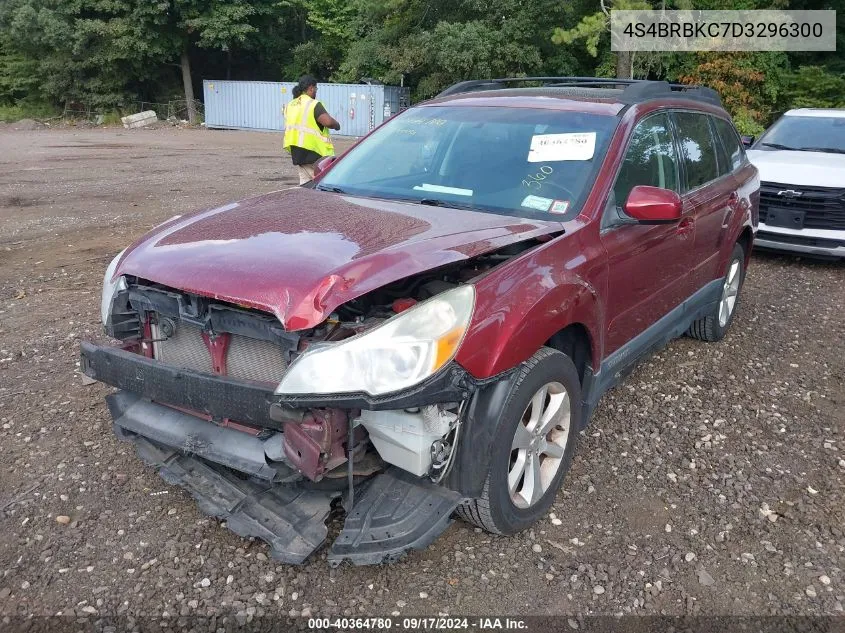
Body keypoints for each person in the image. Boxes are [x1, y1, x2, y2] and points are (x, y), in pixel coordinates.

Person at [283, 75, 340, 184]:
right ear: (311, 88)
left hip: (297, 153)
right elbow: (328, 122)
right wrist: (337, 125)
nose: (316, 92)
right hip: (314, 154)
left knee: (305, 187)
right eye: (316, 89)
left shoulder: (291, 104)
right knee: (322, 186)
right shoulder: (313, 104)